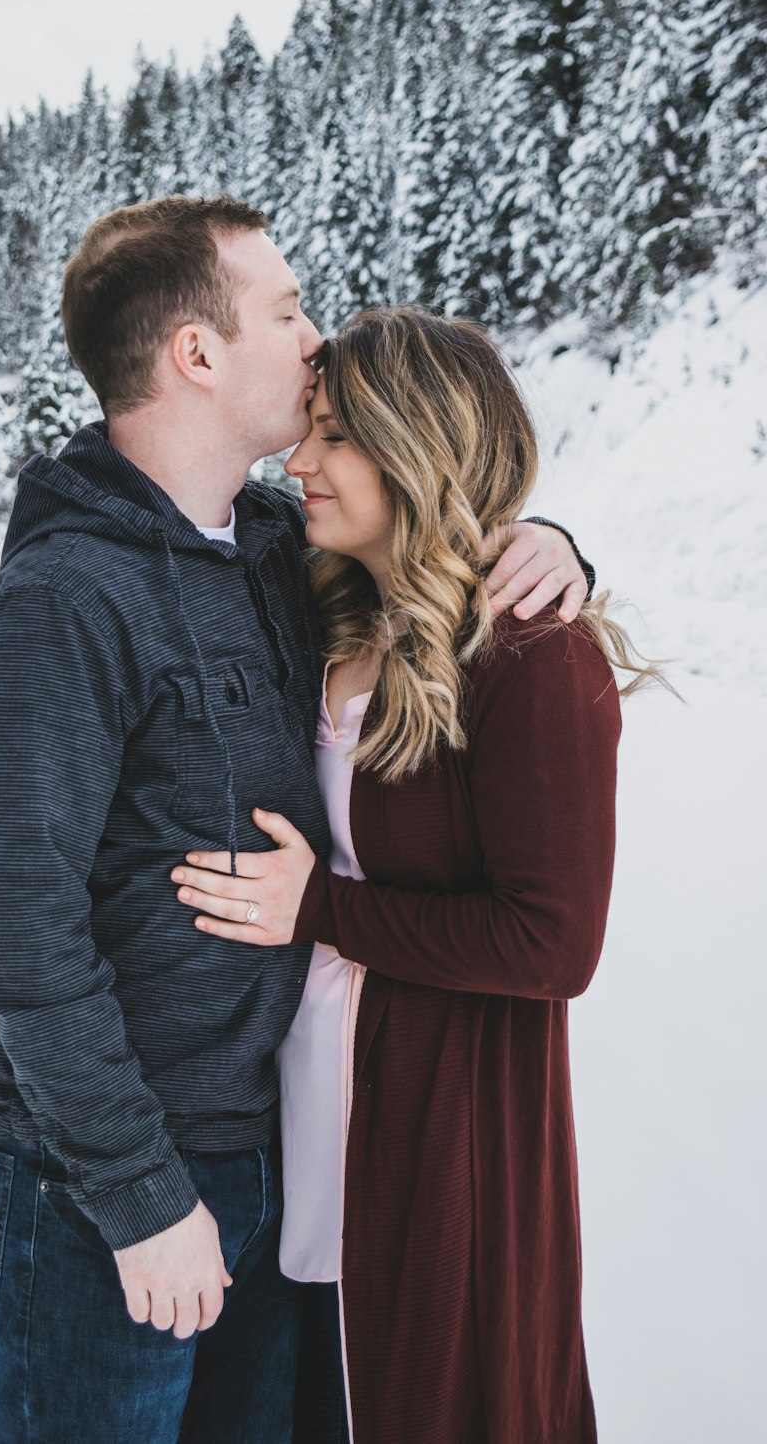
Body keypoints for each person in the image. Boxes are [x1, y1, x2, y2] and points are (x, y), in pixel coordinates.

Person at [0, 198, 593, 1444]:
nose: (312, 338)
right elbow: (23, 937)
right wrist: (140, 1197)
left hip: (258, 1157)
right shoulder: (62, 607)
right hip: (94, 1185)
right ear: (196, 353)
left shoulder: (269, 548)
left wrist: (551, 547)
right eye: (288, 312)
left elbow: (428, 518)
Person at [171, 307, 660, 1444]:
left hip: (443, 1139)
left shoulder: (532, 656)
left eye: (334, 436)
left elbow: (554, 944)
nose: (299, 464)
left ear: (415, 440)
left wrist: (322, 910)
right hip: (300, 1105)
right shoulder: (326, 609)